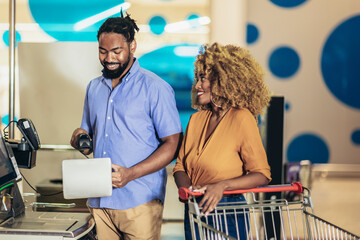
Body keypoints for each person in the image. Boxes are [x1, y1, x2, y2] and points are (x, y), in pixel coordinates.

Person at [70, 13, 182, 240]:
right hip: (99, 199)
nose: (108, 58)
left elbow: (172, 144)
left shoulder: (156, 88)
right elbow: (88, 135)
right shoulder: (94, 88)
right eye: (103, 51)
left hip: (140, 201)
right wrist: (80, 137)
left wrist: (131, 174)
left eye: (116, 51)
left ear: (132, 46)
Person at [173, 43, 272, 239]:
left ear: (222, 81)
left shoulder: (242, 118)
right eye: (197, 79)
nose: (198, 85)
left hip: (228, 211)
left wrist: (221, 186)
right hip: (195, 208)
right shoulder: (196, 119)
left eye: (203, 79)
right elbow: (180, 167)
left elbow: (262, 174)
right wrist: (189, 190)